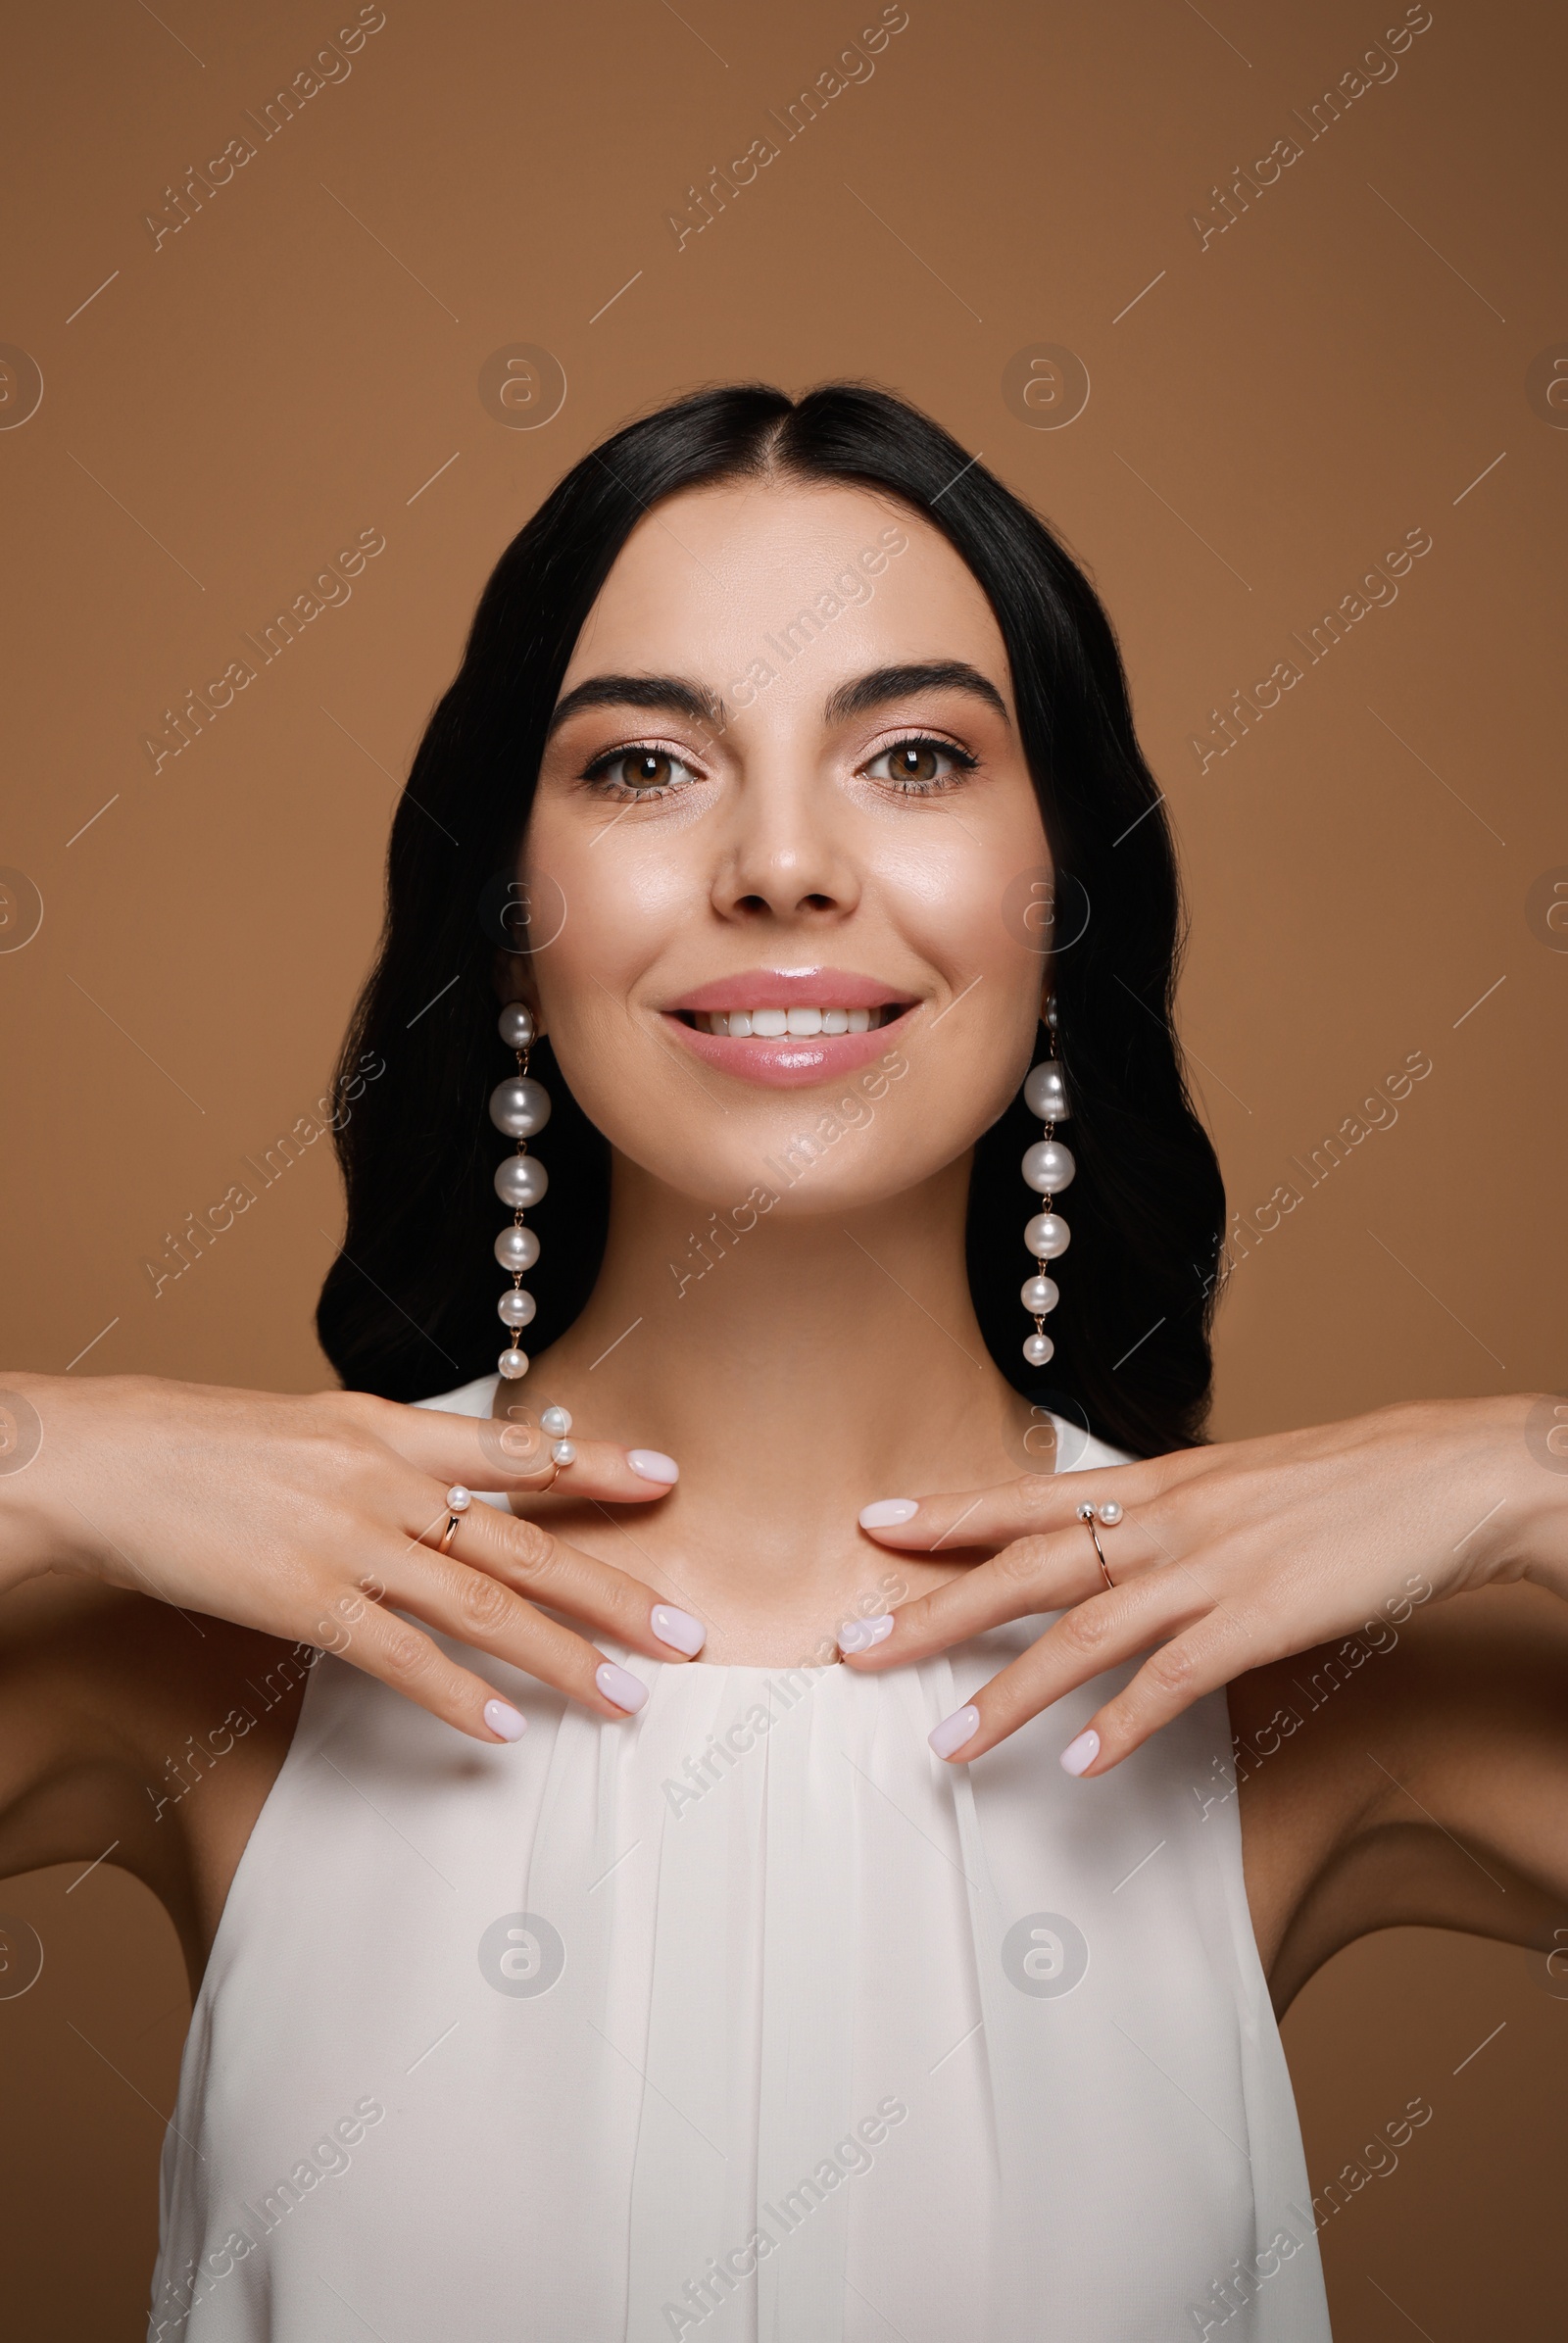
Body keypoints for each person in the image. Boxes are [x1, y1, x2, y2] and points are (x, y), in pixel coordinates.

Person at [2, 383, 1564, 2342]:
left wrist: (1526, 1467)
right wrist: (40, 1458)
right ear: (507, 919)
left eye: (911, 755)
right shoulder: (207, 1660)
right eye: (646, 765)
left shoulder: (1266, 1700)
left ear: (1055, 898)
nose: (779, 862)